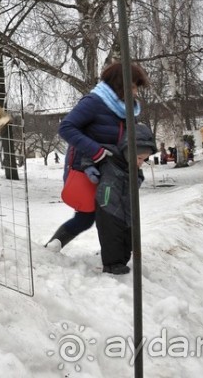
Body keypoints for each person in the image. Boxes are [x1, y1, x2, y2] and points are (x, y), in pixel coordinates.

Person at [46, 61, 149, 251]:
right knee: (87, 215)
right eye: (133, 87)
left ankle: (113, 256)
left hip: (112, 170)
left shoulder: (126, 109)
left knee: (111, 214)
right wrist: (96, 151)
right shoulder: (93, 102)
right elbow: (66, 127)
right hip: (85, 168)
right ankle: (53, 247)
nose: (136, 92)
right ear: (120, 84)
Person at [84, 123, 157, 274]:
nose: (140, 162)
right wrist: (88, 167)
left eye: (144, 159)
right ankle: (112, 265)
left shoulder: (134, 167)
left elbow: (138, 178)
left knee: (128, 236)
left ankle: (122, 261)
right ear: (128, 151)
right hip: (107, 203)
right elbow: (88, 153)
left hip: (127, 207)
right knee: (111, 234)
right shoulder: (109, 155)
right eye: (139, 158)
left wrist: (137, 178)